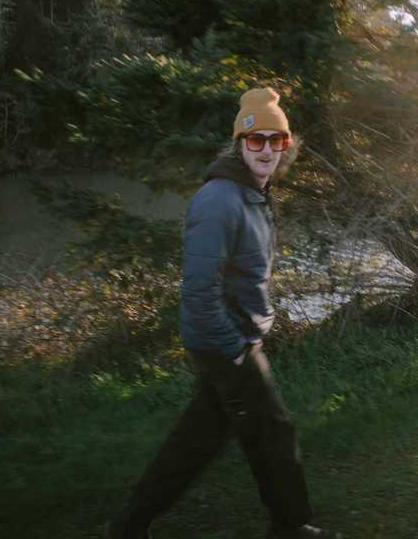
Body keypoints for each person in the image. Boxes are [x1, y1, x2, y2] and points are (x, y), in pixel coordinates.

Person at [107, 87, 337, 539]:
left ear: (286, 145)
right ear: (239, 144)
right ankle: (290, 526)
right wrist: (233, 348)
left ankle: (129, 526)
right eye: (257, 140)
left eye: (278, 140)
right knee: (273, 433)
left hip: (232, 337)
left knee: (198, 440)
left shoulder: (253, 192)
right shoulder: (219, 199)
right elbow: (198, 289)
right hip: (225, 342)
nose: (268, 149)